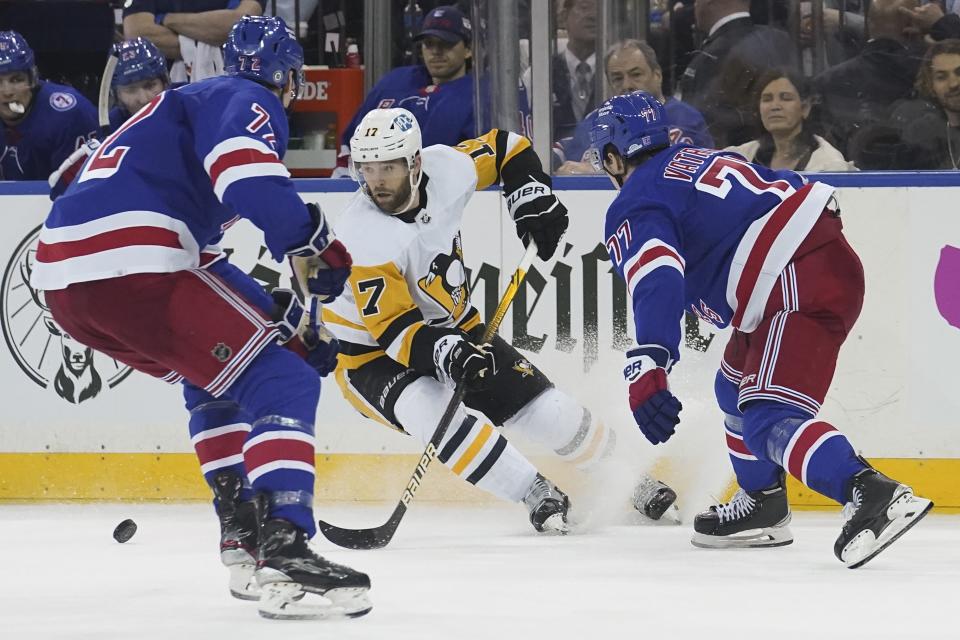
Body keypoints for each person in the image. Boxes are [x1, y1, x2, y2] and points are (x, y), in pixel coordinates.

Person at [30, 16, 371, 620]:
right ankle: (285, 548)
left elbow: (209, 267)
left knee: (211, 374)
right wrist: (313, 240)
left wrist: (284, 323)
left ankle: (240, 534)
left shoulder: (177, 110)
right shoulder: (248, 97)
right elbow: (249, 180)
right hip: (133, 259)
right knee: (284, 380)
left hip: (65, 283)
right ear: (288, 77)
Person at [589, 91, 933, 568]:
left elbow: (657, 271)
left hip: (792, 278)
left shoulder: (637, 196)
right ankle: (763, 505)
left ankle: (869, 492)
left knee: (767, 418)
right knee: (732, 388)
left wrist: (652, 355)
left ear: (612, 155)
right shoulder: (691, 158)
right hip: (803, 268)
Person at [323, 106, 679, 535]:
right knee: (433, 413)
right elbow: (397, 332)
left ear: (416, 163)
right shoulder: (361, 236)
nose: (376, 181)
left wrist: (528, 195)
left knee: (548, 411)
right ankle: (533, 491)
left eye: (389, 167)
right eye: (368, 169)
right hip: (373, 356)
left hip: (454, 326)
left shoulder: (448, 168)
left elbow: (508, 148)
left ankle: (629, 478)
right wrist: (447, 355)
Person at [334, 5, 481, 176]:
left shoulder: (477, 95)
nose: (435, 51)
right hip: (376, 187)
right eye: (429, 44)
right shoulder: (394, 82)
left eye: (446, 44)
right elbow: (351, 142)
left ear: (468, 49)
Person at [557, 39, 712, 174]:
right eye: (617, 78)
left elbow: (672, 171)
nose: (627, 85)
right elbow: (565, 157)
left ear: (657, 76)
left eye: (636, 75)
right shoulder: (595, 120)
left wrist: (600, 171)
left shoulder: (684, 117)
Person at [48, 38, 176, 199]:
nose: (143, 99)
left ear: (165, 82)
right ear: (117, 94)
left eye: (150, 85)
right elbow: (60, 194)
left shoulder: (189, 106)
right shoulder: (111, 128)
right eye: (130, 90)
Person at [678, 0, 797, 148]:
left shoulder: (709, 57)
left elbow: (694, 122)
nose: (695, 5)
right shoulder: (780, 39)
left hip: (730, 160)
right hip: (784, 152)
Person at [0, 30, 97, 181]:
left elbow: (81, 189)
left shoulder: (69, 115)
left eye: (16, 80)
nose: (7, 92)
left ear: (32, 79)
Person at [726, 69, 855, 171]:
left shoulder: (828, 164)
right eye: (767, 99)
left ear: (805, 108)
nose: (775, 106)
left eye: (786, 98)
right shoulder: (742, 156)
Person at [891, 39, 960, 169]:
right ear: (930, 86)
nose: (953, 84)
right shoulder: (920, 136)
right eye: (941, 77)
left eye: (959, 72)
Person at [123, 0, 265, 61]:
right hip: (165, 86)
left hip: (233, 81)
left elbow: (239, 26)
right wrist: (213, 37)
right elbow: (137, 33)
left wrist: (166, 19)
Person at [552, 0, 599, 140]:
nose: (593, 15)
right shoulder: (537, 76)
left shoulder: (618, 73)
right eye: (584, 7)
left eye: (598, 10)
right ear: (564, 16)